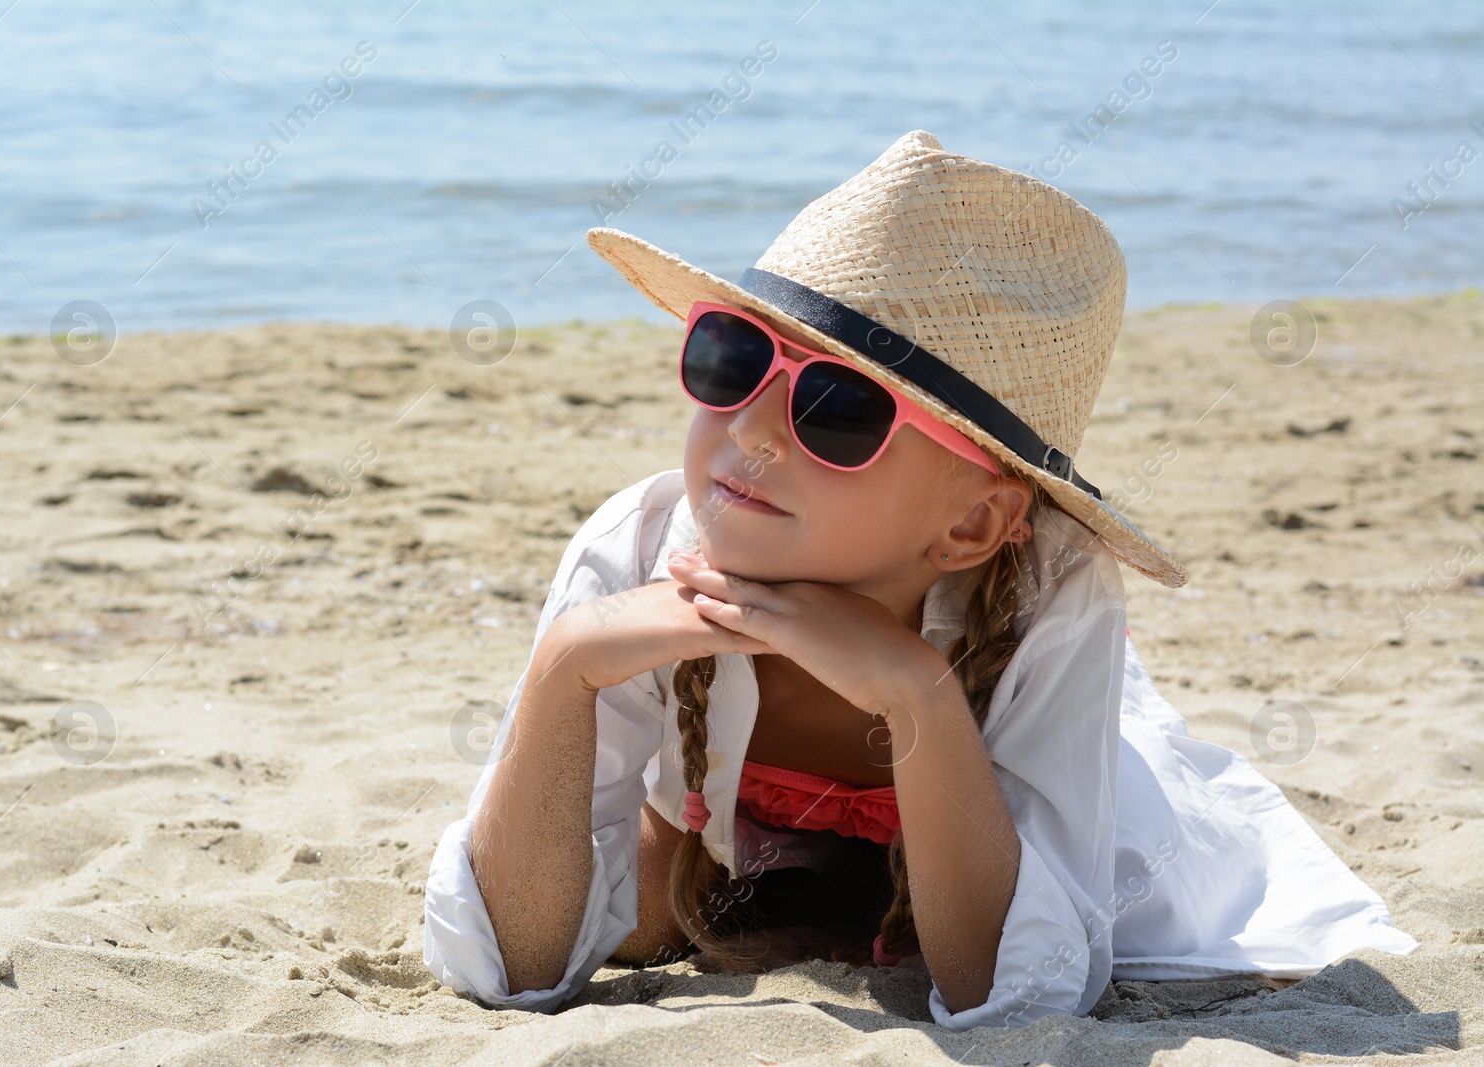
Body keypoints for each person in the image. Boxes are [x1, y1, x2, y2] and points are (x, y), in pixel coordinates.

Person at [423, 130, 1417, 1029]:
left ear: (975, 520)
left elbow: (1015, 993)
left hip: (980, 828)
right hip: (717, 837)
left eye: (840, 411)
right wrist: (564, 664)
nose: (754, 432)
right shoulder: (634, 551)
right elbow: (507, 963)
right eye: (733, 357)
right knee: (639, 915)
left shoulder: (1045, 601)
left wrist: (918, 694)